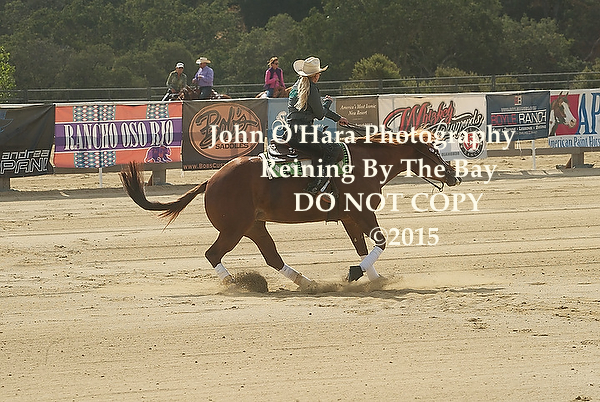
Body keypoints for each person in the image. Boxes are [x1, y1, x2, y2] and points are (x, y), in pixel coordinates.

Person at [286, 56, 349, 194]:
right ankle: (318, 184)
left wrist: (338, 118)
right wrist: (327, 103)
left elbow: (314, 111)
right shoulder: (312, 88)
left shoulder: (297, 86)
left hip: (291, 132)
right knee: (333, 148)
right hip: (304, 131)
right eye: (319, 73)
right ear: (315, 76)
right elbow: (320, 114)